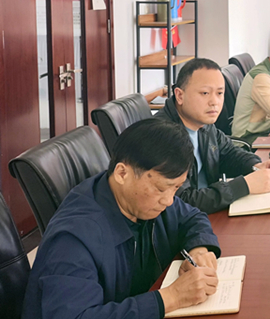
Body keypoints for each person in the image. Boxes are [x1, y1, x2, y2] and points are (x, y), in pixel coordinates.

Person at [23, 119, 221, 319]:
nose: (169, 200)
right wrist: (171, 298)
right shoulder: (73, 238)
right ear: (122, 173)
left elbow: (192, 217)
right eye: (161, 189)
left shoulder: (145, 201)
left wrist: (199, 250)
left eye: (176, 187)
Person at [155, 58, 270, 214]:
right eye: (205, 93)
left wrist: (255, 165)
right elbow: (182, 201)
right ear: (180, 95)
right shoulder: (162, 136)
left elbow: (229, 153)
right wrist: (243, 186)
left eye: (219, 93)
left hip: (209, 210)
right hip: (189, 219)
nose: (214, 102)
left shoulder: (203, 122)